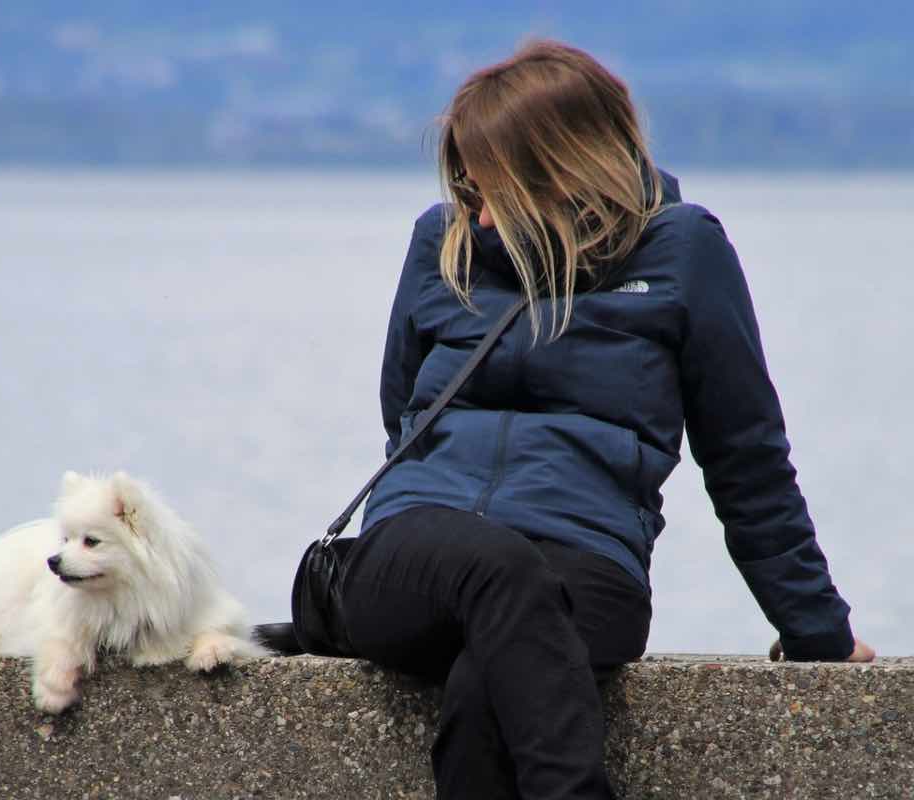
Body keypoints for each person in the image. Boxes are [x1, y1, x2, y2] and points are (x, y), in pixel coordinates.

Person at [334, 40, 875, 800]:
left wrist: (815, 630)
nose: (476, 207)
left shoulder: (683, 249)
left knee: (483, 695)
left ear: (565, 165)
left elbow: (747, 460)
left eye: (492, 182)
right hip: (423, 549)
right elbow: (404, 418)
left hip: (586, 563)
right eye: (464, 181)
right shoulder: (442, 241)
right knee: (498, 569)